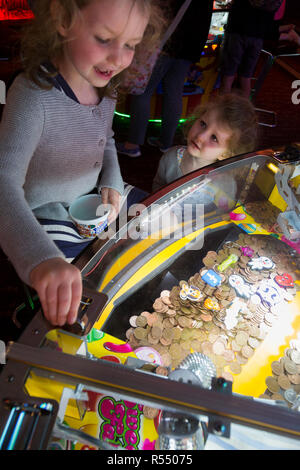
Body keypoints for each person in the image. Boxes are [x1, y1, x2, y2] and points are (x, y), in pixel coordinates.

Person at [0, 0, 164, 327]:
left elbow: (107, 142)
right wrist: (41, 259)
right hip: (45, 212)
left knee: (159, 216)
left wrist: (112, 183)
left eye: (130, 45)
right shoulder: (34, 94)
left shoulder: (106, 88)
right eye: (104, 39)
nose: (118, 59)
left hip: (92, 197)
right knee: (84, 284)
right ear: (62, 18)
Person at [116, 0, 214, 158]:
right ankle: (165, 143)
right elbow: (204, 24)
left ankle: (132, 144)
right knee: (174, 95)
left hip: (164, 46)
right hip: (186, 52)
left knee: (142, 93)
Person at [152, 93, 258, 191]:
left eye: (214, 137)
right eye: (203, 124)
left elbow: (220, 211)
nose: (200, 137)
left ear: (227, 154)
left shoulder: (225, 185)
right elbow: (158, 185)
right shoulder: (170, 158)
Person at [220, 0, 285, 97]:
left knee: (228, 76)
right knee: (246, 77)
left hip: (238, 30)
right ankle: (246, 110)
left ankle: (223, 110)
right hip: (258, 36)